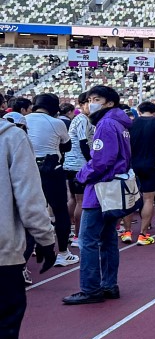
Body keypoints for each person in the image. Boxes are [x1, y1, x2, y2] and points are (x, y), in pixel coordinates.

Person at [64, 86, 134, 305]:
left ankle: (90, 288)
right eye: (89, 99)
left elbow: (101, 160)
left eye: (96, 99)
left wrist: (82, 175)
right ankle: (109, 285)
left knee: (88, 240)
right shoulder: (120, 123)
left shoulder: (105, 124)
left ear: (109, 103)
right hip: (113, 188)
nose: (90, 104)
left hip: (100, 189)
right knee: (108, 239)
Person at [0, 109, 56, 339]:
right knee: (4, 330)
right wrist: (46, 239)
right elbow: (29, 198)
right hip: (3, 255)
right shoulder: (11, 137)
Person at [24, 94, 77, 267]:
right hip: (51, 169)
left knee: (29, 212)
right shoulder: (56, 122)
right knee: (60, 211)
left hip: (27, 170)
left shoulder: (24, 120)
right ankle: (63, 253)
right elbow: (67, 146)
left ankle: (30, 251)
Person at [129, 101, 155, 245]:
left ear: (139, 111)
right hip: (152, 165)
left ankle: (127, 231)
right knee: (148, 199)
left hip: (132, 165)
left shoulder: (131, 124)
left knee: (130, 198)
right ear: (154, 111)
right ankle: (143, 234)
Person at [64, 93, 93, 244]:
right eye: (89, 102)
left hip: (71, 164)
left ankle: (70, 231)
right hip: (78, 165)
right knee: (81, 201)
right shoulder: (82, 119)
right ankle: (77, 235)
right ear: (81, 105)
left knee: (73, 199)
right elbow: (83, 143)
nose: (92, 105)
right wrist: (91, 162)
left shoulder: (79, 119)